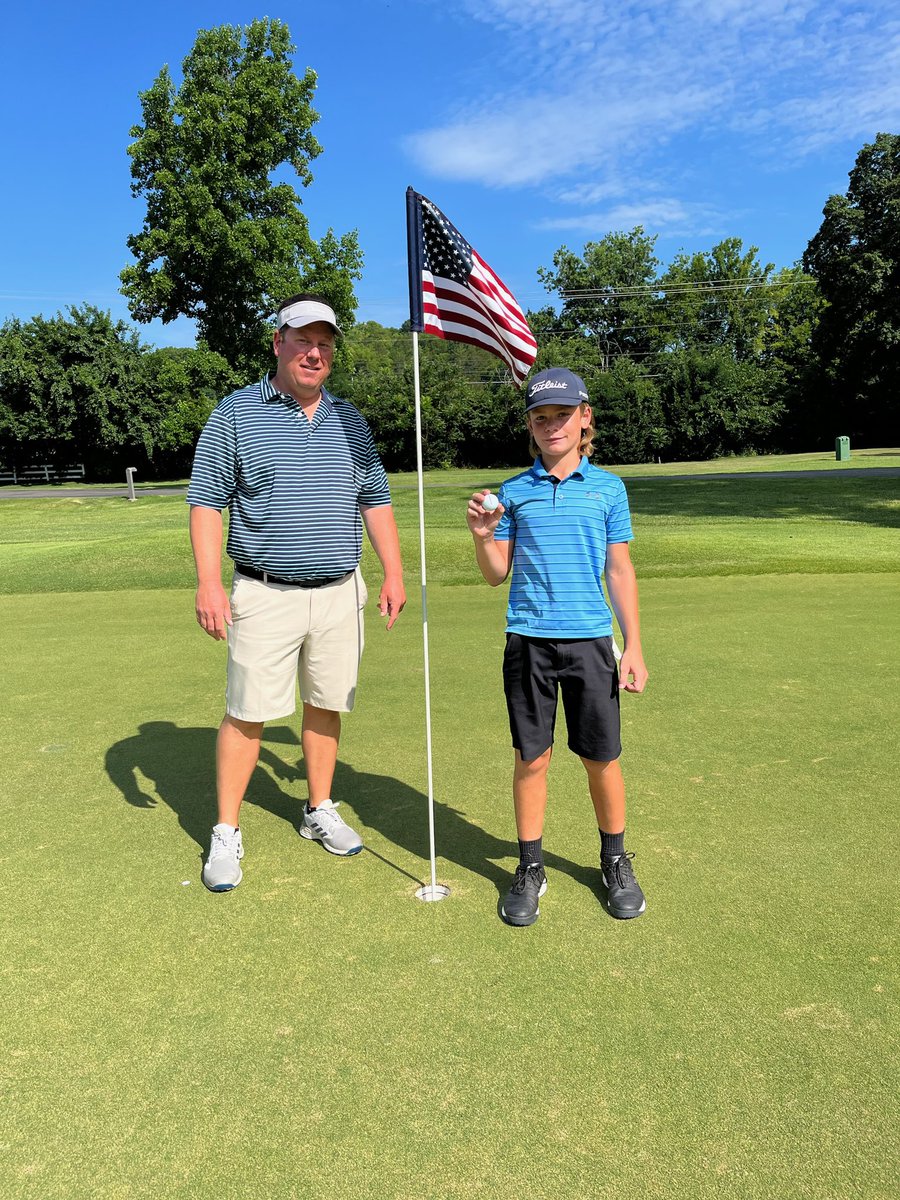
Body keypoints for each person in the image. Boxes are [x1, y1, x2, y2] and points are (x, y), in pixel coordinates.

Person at [187, 294, 406, 892]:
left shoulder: (349, 420)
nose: (315, 353)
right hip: (265, 592)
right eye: (303, 341)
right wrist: (208, 582)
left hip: (340, 591)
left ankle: (318, 808)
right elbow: (206, 503)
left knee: (326, 702)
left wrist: (393, 571)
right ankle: (226, 830)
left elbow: (375, 498)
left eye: (324, 344)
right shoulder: (235, 413)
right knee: (247, 712)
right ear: (277, 342)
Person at [466, 367, 648, 927]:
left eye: (563, 415)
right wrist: (482, 536)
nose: (552, 426)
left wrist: (634, 646)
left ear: (584, 418)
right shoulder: (512, 493)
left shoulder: (608, 488)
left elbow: (619, 570)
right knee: (532, 758)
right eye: (541, 417)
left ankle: (614, 860)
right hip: (529, 642)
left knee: (601, 757)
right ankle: (530, 866)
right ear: (530, 425)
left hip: (591, 640)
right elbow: (496, 573)